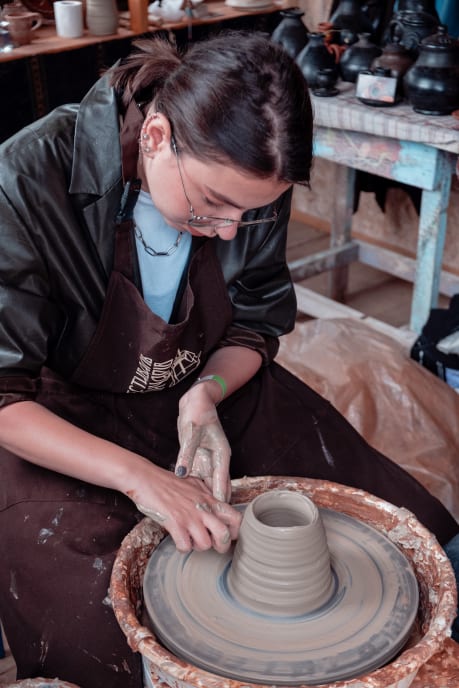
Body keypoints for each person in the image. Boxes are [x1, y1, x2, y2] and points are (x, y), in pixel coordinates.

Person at [0, 30, 457, 688]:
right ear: (156, 136)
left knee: (365, 513)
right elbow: (4, 395)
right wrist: (142, 479)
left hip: (192, 382)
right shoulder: (26, 175)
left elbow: (254, 322)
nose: (224, 231)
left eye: (248, 215)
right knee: (93, 609)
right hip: (55, 414)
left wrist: (205, 395)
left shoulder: (252, 178)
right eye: (212, 205)